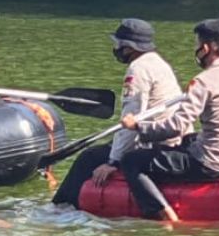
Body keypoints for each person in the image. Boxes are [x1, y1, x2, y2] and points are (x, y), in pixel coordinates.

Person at [119, 19, 219, 220]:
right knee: (189, 140)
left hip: (208, 164)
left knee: (131, 161)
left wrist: (138, 126)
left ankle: (163, 213)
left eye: (197, 46)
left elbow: (176, 126)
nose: (195, 50)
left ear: (206, 48)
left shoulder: (203, 81)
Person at [51, 18, 184, 207]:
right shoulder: (160, 63)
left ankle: (61, 207)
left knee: (89, 158)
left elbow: (130, 120)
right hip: (166, 137)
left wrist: (113, 162)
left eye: (118, 44)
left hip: (151, 142)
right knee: (105, 148)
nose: (116, 49)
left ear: (129, 47)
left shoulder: (138, 69)